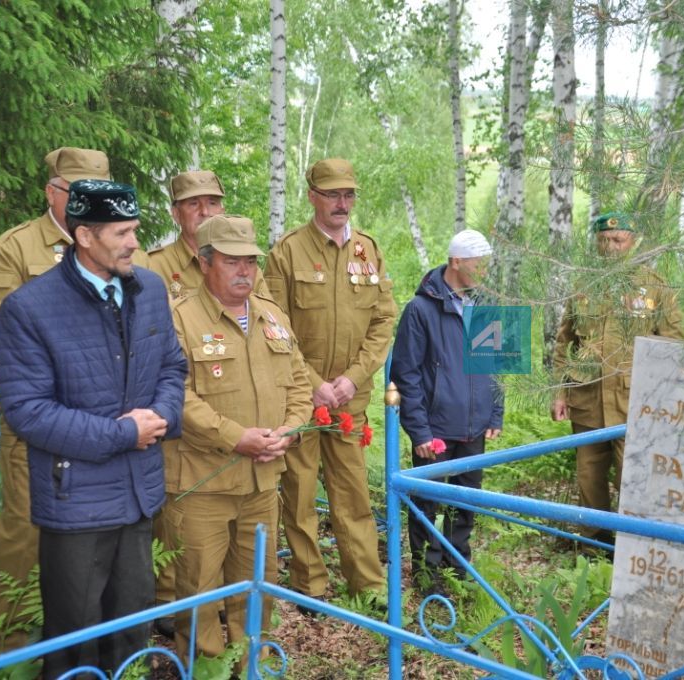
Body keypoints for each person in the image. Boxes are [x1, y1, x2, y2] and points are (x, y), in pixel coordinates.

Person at [0, 179, 187, 679]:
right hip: (75, 503)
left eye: (135, 230)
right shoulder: (29, 309)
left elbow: (172, 365)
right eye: (121, 232)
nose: (133, 243)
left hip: (139, 493)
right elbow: (28, 411)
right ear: (84, 236)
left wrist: (159, 417)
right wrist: (123, 434)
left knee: (130, 627)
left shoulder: (149, 290)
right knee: (75, 636)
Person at [161, 214, 311, 659]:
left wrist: (291, 431)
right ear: (205, 263)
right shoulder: (178, 320)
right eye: (232, 261)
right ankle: (205, 669)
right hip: (203, 482)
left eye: (250, 261)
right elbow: (176, 397)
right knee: (199, 590)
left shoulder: (273, 316)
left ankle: (253, 665)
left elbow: (300, 384)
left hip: (262, 483)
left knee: (257, 587)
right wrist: (234, 437)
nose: (245, 270)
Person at [266, 158, 396, 607]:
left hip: (348, 400)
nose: (342, 203)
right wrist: (315, 382)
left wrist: (352, 379)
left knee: (353, 493)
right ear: (313, 197)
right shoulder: (287, 252)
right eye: (333, 194)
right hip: (302, 400)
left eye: (349, 194)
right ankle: (311, 586)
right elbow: (274, 328)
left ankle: (369, 586)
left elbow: (383, 321)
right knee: (299, 495)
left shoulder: (368, 251)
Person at [550, 212, 684, 548]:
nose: (610, 247)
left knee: (634, 475)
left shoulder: (655, 286)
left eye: (618, 240)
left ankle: (633, 549)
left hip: (634, 402)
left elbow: (675, 346)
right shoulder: (584, 284)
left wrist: (666, 400)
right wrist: (558, 392)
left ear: (633, 241)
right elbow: (564, 341)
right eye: (604, 241)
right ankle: (594, 544)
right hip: (587, 399)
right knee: (589, 477)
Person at [391, 230, 504, 594]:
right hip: (436, 428)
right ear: (456, 262)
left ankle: (458, 568)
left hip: (475, 425)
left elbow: (499, 364)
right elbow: (405, 374)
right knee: (426, 502)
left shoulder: (489, 305)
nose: (485, 271)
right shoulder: (420, 310)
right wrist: (419, 432)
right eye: (478, 264)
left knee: (466, 499)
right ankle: (428, 575)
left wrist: (495, 413)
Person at [148, 170, 268, 301]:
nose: (205, 212)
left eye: (212, 203)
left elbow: (268, 314)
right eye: (194, 203)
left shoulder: (244, 265)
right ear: (176, 214)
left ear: (222, 211)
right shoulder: (155, 266)